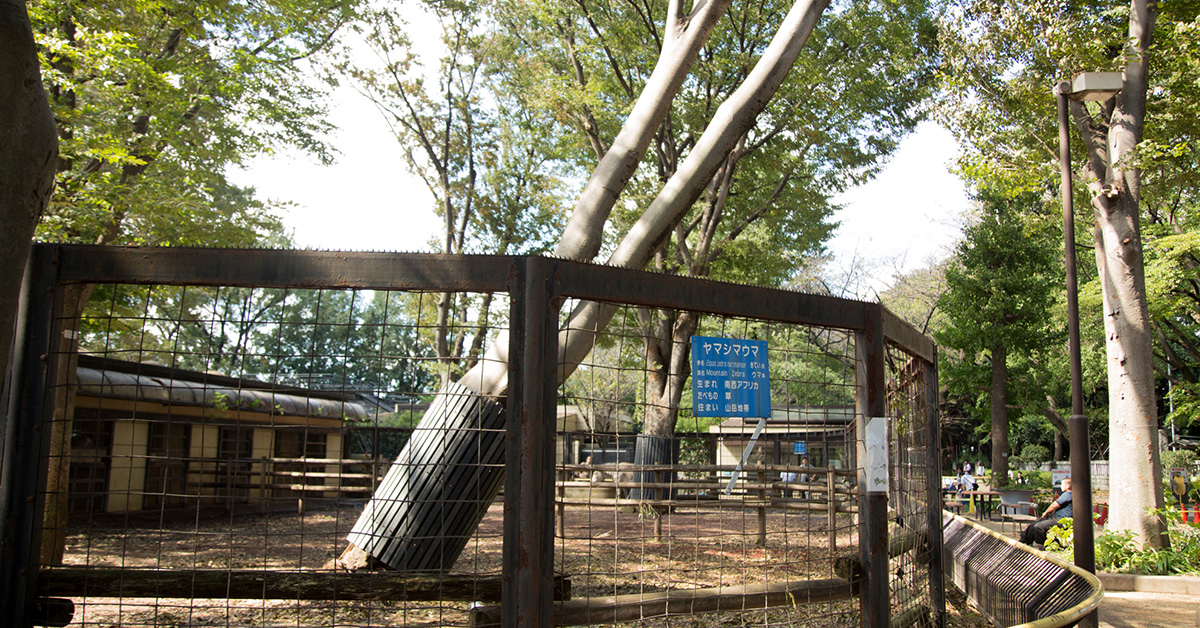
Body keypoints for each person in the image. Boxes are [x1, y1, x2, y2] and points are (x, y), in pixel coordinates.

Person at [1020, 478, 1073, 546]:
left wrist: (1046, 512)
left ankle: (1043, 545)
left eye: (1062, 484)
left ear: (1068, 486)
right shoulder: (1069, 495)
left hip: (1060, 519)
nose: (1061, 486)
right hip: (1056, 517)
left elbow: (1054, 505)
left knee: (1038, 526)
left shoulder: (1068, 494)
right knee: (1032, 525)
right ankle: (1023, 541)